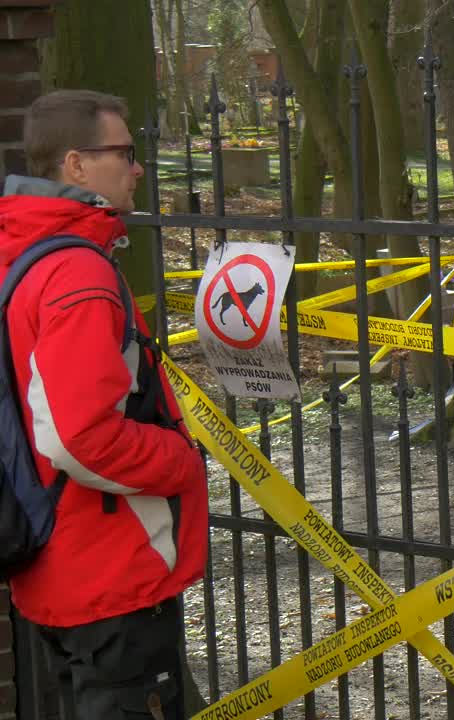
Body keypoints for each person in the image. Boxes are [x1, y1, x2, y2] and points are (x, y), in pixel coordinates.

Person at [0, 89, 207, 719]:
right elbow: (77, 434)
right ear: (76, 165)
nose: (138, 166)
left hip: (56, 568)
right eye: (124, 151)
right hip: (109, 574)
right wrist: (179, 459)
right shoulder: (77, 275)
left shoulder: (21, 256)